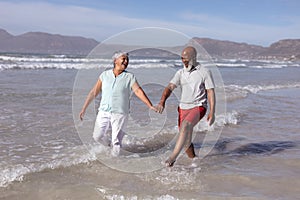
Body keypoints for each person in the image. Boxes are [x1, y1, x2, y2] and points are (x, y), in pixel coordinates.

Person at [79, 51, 157, 156]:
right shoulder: (104, 75)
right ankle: (108, 145)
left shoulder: (129, 77)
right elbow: (94, 92)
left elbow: (138, 91)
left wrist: (150, 105)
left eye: (127, 60)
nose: (126, 61)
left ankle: (114, 162)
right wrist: (84, 108)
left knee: (116, 141)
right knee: (97, 136)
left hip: (120, 112)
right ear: (115, 61)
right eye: (123, 59)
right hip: (104, 111)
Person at [156, 46, 216, 167]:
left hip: (198, 106)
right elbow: (169, 87)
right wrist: (162, 101)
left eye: (186, 58)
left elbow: (210, 92)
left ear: (194, 57)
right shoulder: (180, 73)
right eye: (182, 58)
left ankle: (172, 158)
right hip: (183, 108)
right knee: (186, 139)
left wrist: (212, 111)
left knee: (185, 125)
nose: (184, 61)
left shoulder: (204, 71)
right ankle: (194, 159)